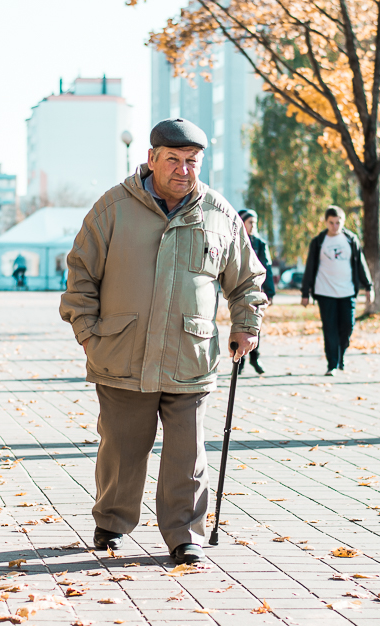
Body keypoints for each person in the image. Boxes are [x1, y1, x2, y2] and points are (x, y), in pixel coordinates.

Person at [60, 118, 267, 565]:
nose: (183, 169)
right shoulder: (113, 208)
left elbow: (247, 279)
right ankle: (111, 522)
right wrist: (88, 334)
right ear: (151, 158)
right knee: (122, 447)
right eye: (172, 159)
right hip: (121, 352)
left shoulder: (218, 214)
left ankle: (184, 535)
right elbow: (80, 275)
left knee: (187, 453)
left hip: (189, 355)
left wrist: (245, 324)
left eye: (191, 161)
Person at [300, 206, 373, 376]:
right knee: (330, 329)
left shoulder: (351, 240)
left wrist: (368, 286)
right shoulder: (319, 242)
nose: (335, 226)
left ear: (343, 221)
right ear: (326, 222)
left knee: (347, 326)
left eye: (338, 222)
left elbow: (361, 264)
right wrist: (305, 293)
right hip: (325, 293)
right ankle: (332, 364)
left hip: (347, 292)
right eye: (331, 223)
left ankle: (340, 356)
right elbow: (310, 268)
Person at [237, 209, 274, 375]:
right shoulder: (235, 241)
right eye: (250, 222)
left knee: (255, 325)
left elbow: (267, 268)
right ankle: (240, 360)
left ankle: (255, 358)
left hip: (257, 291)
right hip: (238, 290)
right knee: (239, 324)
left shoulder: (260, 243)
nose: (253, 226)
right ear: (242, 222)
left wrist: (270, 292)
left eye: (255, 222)